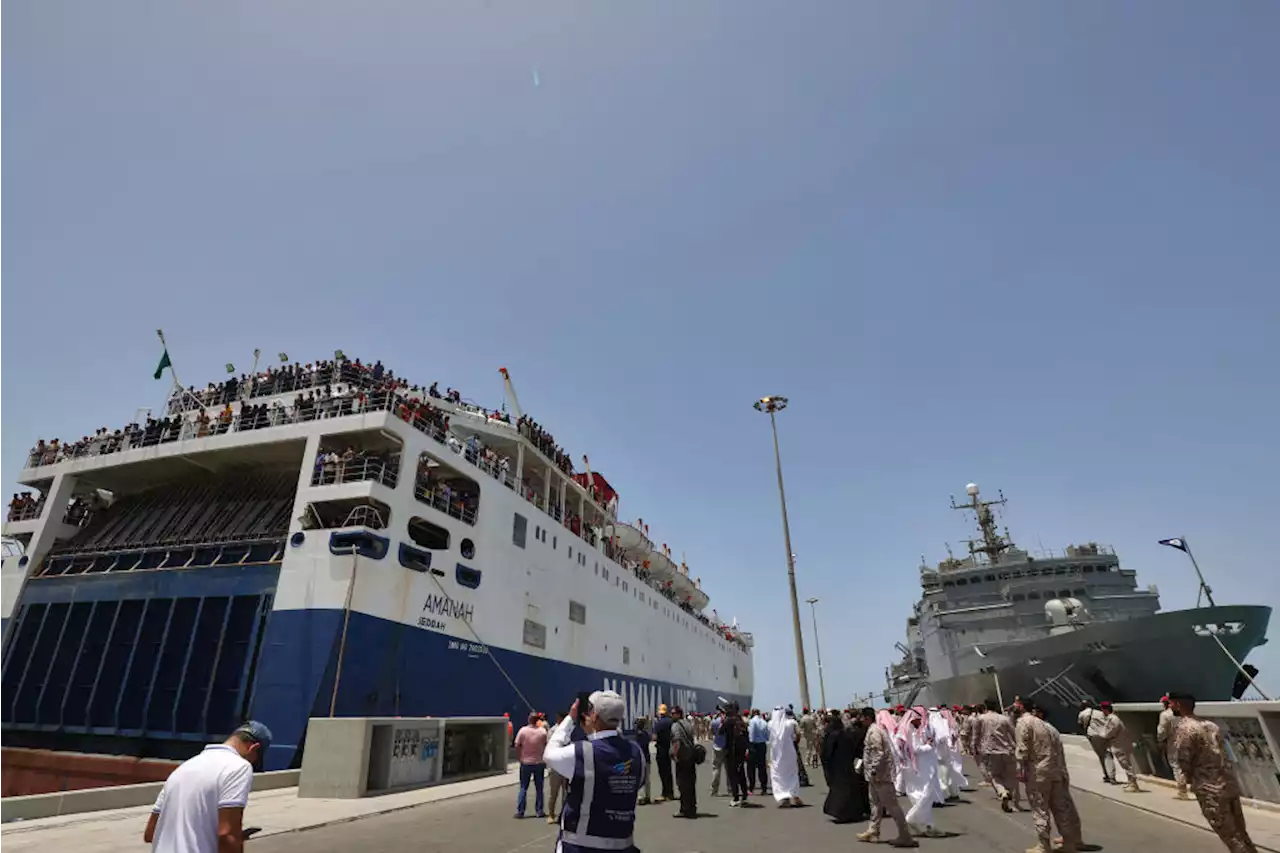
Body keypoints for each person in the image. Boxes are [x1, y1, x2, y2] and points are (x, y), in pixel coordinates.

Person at [144, 721, 272, 853]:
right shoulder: (238, 766)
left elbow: (150, 833)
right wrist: (234, 839)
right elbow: (227, 835)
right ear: (254, 748)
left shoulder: (183, 768)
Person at [543, 690, 645, 853]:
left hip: (580, 847)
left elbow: (549, 755)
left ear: (594, 717)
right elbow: (637, 784)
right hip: (622, 847)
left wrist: (570, 718)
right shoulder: (637, 752)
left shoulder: (582, 752)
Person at [1170, 692, 1259, 853]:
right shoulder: (1211, 725)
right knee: (1240, 832)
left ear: (1177, 705)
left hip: (1210, 789)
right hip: (1228, 784)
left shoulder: (1184, 728)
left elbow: (1183, 760)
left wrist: (1189, 780)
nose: (1169, 707)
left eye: (1171, 704)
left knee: (1230, 837)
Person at [1017, 699, 1083, 853]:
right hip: (1056, 772)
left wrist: (1020, 770)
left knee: (1040, 809)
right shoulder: (1050, 727)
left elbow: (1022, 750)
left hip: (1038, 772)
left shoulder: (1023, 723)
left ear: (1021, 707)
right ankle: (1069, 843)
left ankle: (1043, 845)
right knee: (1061, 809)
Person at [857, 708, 917, 848]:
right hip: (875, 777)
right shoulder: (873, 730)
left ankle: (905, 836)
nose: (860, 720)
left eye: (862, 717)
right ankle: (873, 831)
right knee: (875, 804)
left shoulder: (874, 732)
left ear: (867, 718)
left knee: (892, 806)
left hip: (880, 776)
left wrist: (873, 770)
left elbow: (879, 753)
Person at [895, 706, 945, 837]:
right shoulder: (909, 731)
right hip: (920, 769)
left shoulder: (911, 729)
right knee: (925, 795)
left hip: (918, 768)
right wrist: (929, 745)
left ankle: (929, 826)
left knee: (921, 796)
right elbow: (915, 750)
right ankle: (911, 819)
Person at [976, 699, 1023, 812]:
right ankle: (1012, 799)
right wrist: (1018, 748)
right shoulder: (1005, 719)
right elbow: (1014, 734)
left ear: (986, 707)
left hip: (990, 751)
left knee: (994, 775)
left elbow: (976, 735)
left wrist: (974, 748)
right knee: (1010, 776)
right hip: (1007, 750)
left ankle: (1002, 792)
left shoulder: (981, 718)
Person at [821, 710, 868, 823]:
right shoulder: (845, 734)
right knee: (849, 790)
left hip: (836, 767)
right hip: (847, 765)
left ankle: (841, 813)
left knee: (839, 791)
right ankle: (853, 812)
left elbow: (827, 753)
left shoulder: (831, 735)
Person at [1098, 701, 1142, 793]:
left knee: (1126, 764)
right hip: (1120, 744)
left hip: (1119, 745)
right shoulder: (1113, 718)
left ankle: (1134, 785)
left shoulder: (1112, 719)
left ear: (1105, 709)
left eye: (1102, 709)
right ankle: (1130, 782)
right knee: (1125, 764)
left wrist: (1101, 735)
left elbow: (1109, 732)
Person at [514, 712, 549, 819]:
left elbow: (517, 745)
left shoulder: (523, 731)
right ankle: (539, 811)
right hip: (539, 762)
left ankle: (521, 811)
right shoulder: (543, 732)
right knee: (539, 788)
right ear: (537, 720)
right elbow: (547, 744)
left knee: (523, 787)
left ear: (529, 720)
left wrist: (519, 757)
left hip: (526, 762)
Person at [1157, 694, 1191, 801]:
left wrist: (1160, 740)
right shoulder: (1182, 713)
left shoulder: (1165, 715)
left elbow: (1162, 731)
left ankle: (1182, 791)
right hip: (1186, 741)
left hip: (1173, 742)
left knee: (1176, 765)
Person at [767, 705, 803, 806]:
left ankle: (782, 797)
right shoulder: (791, 723)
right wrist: (796, 742)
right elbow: (798, 734)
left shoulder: (770, 724)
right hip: (789, 752)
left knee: (778, 775)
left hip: (775, 753)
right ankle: (794, 796)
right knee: (791, 774)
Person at [1077, 699, 1117, 784]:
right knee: (1108, 754)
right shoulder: (1099, 712)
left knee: (1101, 755)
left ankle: (1107, 775)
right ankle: (1112, 776)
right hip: (1104, 734)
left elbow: (1080, 726)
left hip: (1093, 735)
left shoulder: (1082, 714)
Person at [670, 706, 699, 819]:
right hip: (691, 757)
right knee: (691, 784)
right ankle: (692, 807)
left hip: (682, 758)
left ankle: (685, 809)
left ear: (678, 714)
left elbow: (677, 741)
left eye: (673, 713)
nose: (671, 715)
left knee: (682, 784)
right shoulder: (688, 724)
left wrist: (676, 755)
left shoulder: (676, 725)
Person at [723, 703, 751, 807]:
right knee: (741, 773)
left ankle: (735, 797)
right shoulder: (741, 720)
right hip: (741, 752)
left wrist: (723, 720)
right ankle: (744, 796)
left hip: (731, 752)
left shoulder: (728, 720)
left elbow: (720, 732)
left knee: (732, 775)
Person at [546, 711, 570, 822]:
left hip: (567, 766)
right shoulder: (553, 731)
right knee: (554, 793)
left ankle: (564, 815)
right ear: (559, 719)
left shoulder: (570, 731)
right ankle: (551, 814)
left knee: (567, 793)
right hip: (556, 767)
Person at [652, 704, 675, 803]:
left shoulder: (659, 723)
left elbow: (654, 737)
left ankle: (664, 793)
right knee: (669, 772)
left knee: (662, 772)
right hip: (669, 748)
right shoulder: (671, 722)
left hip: (661, 749)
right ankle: (670, 793)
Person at [747, 708, 770, 794]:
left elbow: (751, 735)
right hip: (762, 745)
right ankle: (763, 788)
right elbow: (767, 736)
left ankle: (751, 787)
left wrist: (749, 745)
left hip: (754, 745)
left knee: (751, 768)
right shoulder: (764, 722)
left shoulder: (752, 721)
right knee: (762, 767)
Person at [633, 717, 653, 806]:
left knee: (641, 778)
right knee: (647, 778)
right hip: (647, 758)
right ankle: (647, 796)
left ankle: (641, 797)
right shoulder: (646, 734)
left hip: (642, 758)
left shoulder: (639, 735)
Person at [708, 710, 727, 797]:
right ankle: (730, 789)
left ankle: (714, 790)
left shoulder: (714, 721)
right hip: (726, 747)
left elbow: (711, 732)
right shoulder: (727, 721)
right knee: (729, 769)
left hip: (717, 746)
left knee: (716, 769)